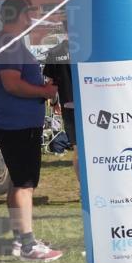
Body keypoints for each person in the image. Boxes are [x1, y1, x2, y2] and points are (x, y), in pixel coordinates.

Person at [0, 0, 63, 262]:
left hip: (16, 122)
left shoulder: (6, 41)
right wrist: (44, 91)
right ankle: (28, 245)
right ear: (21, 14)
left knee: (19, 182)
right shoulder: (7, 43)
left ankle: (22, 239)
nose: (35, 18)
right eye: (32, 13)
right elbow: (11, 84)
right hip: (17, 123)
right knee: (24, 184)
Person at [42, 34, 79, 178]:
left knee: (78, 150)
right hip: (90, 105)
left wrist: (54, 102)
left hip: (69, 106)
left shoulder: (55, 52)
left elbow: (51, 84)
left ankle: (84, 189)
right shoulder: (90, 47)